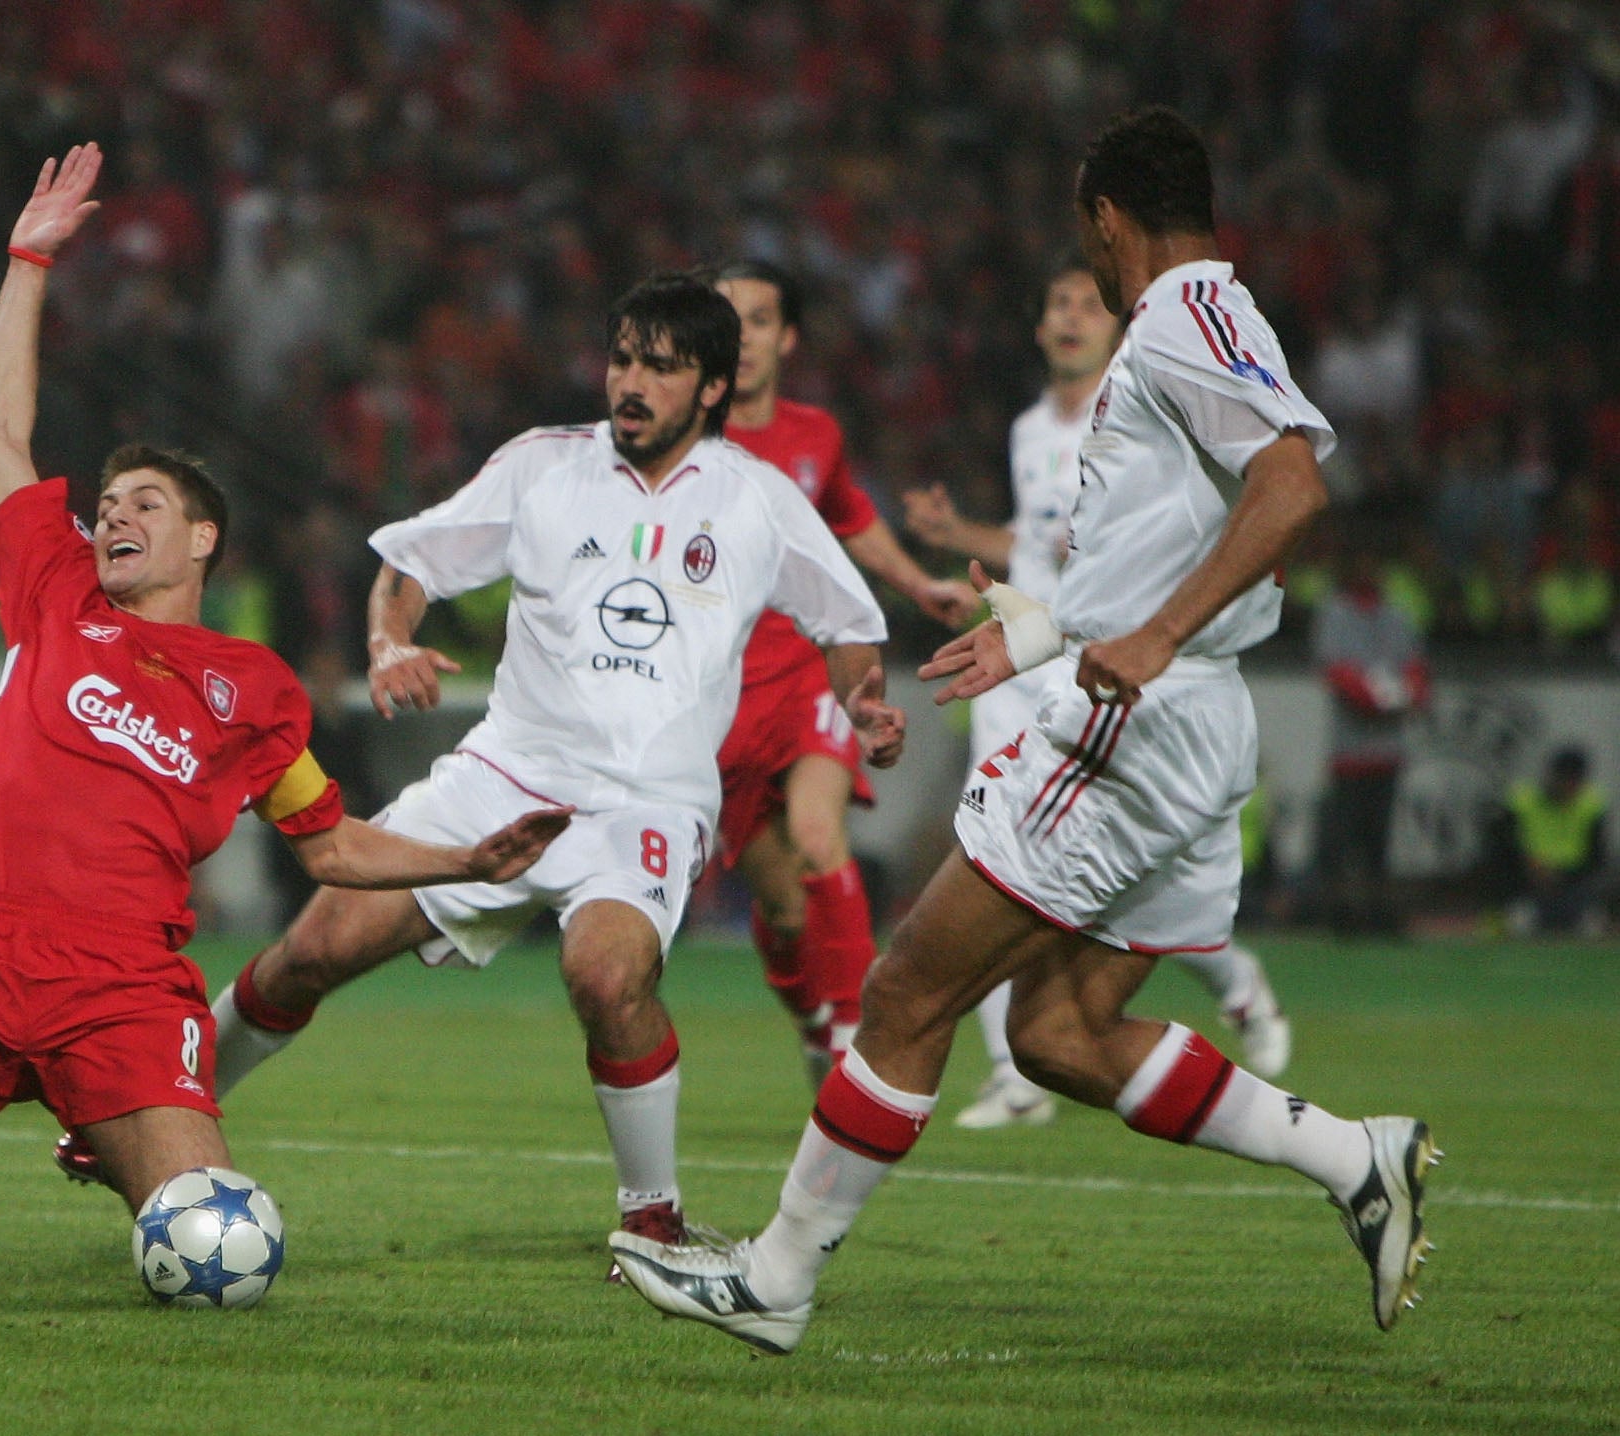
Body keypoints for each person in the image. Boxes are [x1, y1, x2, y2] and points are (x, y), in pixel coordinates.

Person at [610, 108, 1436, 1353]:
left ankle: (775, 1276)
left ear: (1106, 219)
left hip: (1139, 722)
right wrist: (1047, 631)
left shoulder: (1181, 318)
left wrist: (1147, 637)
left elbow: (1292, 484)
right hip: (1183, 715)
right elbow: (1166, 533)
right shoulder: (1196, 325)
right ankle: (1355, 1157)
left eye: (1083, 231)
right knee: (1058, 1034)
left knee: (904, 989)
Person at [0, 145, 570, 1292]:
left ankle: (112, 1125)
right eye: (105, 504)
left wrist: (461, 855)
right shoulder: (55, 592)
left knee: (216, 1243)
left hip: (119, 985)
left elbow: (330, 842)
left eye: (142, 504)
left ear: (201, 539)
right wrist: (26, 261)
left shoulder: (251, 688)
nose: (113, 516)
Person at [191, 271, 903, 1270]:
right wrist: (390, 640)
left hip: (647, 800)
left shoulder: (759, 500)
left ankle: (650, 1219)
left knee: (605, 974)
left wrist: (861, 703)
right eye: (622, 358)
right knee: (314, 947)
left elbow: (848, 626)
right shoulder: (540, 467)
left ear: (710, 387)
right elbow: (413, 563)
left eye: (660, 365)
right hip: (505, 772)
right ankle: (162, 1116)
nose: (631, 381)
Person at [904, 258, 1292, 1130]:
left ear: (1117, 325)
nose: (1073, 316)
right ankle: (1015, 1074)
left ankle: (1240, 988)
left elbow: (1263, 498)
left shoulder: (1151, 404)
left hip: (1115, 661)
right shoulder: (1027, 429)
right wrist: (957, 538)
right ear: (1039, 326)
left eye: (1089, 301)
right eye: (1057, 303)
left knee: (1117, 889)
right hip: (1027, 648)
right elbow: (1037, 541)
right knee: (990, 860)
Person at [710, 259, 977, 1088]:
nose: (742, 337)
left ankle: (858, 1041)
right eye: (727, 320)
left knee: (822, 838)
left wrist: (917, 583)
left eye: (759, 319)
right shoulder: (684, 440)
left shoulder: (813, 435)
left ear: (785, 338)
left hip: (807, 670)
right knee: (783, 905)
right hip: (715, 695)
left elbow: (851, 520)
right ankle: (812, 1014)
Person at [1312, 537, 1429, 937]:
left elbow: (1415, 670)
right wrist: (1381, 700)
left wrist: (1405, 694)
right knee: (1347, 839)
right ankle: (1344, 912)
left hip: (1387, 750)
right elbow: (1338, 673)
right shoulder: (1335, 613)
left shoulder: (1397, 615)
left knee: (1379, 840)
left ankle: (1378, 911)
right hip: (1351, 749)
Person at [1500, 747, 1607, 936]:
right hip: (1528, 884)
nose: (1570, 787)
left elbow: (1597, 857)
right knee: (1518, 923)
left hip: (1574, 883)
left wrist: (1561, 876)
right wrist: (1531, 866)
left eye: (1575, 781)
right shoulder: (1522, 801)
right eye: (1566, 780)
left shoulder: (1592, 805)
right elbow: (1504, 847)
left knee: (1592, 927)